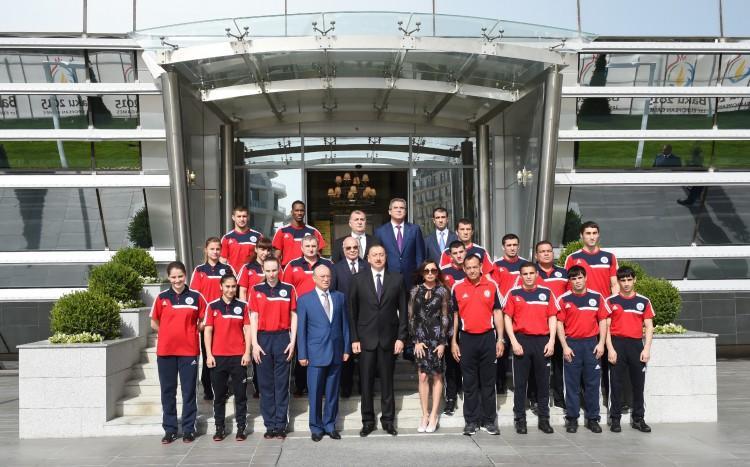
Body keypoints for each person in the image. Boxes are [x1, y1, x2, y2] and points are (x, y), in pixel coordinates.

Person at [348, 244, 408, 437]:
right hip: (366, 339)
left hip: (389, 339)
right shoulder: (357, 279)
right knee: (366, 383)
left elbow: (403, 311)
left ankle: (388, 421)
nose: (378, 258)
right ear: (368, 258)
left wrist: (401, 337)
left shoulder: (397, 279)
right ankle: (367, 421)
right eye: (374, 255)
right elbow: (352, 312)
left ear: (386, 257)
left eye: (381, 254)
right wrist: (354, 338)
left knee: (387, 383)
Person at [150, 261, 208, 444]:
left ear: (185, 275)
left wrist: (193, 330)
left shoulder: (196, 297)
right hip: (165, 352)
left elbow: (204, 320)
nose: (177, 280)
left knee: (189, 391)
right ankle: (170, 430)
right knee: (168, 391)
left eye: (180, 276)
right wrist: (167, 333)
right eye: (173, 277)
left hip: (189, 351)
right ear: (168, 277)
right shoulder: (161, 298)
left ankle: (189, 429)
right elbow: (154, 322)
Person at [564, 221, 619, 404]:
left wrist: (614, 308)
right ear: (581, 236)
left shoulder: (609, 257)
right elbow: (568, 286)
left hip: (603, 314)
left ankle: (610, 399)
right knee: (579, 362)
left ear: (599, 234)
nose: (592, 236)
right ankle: (580, 399)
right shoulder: (573, 258)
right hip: (581, 316)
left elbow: (614, 284)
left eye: (594, 233)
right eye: (588, 233)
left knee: (606, 355)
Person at [296, 265, 351, 442]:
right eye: (322, 276)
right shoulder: (304, 300)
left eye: (328, 276)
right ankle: (316, 427)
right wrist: (302, 354)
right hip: (315, 354)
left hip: (336, 352)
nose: (326, 279)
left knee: (332, 392)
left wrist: (346, 348)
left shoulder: (339, 297)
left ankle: (330, 425)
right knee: (315, 393)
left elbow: (345, 325)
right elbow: (301, 330)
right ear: (314, 278)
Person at [451, 255, 504, 436]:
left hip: (488, 338)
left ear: (481, 266)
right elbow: (455, 316)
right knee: (469, 383)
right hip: (467, 339)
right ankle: (471, 422)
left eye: (475, 267)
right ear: (464, 269)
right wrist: (454, 341)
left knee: (488, 383)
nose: (472, 270)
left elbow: (498, 312)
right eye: (468, 268)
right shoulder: (457, 287)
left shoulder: (491, 285)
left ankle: (489, 421)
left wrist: (500, 339)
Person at [503, 262, 557, 435]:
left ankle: (544, 419)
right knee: (520, 384)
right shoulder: (514, 293)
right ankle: (520, 419)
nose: (528, 276)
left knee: (543, 383)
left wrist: (551, 341)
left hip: (542, 341)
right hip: (522, 340)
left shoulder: (546, 293)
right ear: (520, 276)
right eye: (525, 274)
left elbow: (552, 317)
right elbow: (507, 318)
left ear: (537, 274)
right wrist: (513, 341)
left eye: (531, 273)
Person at [556, 265, 610, 434]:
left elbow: (603, 321)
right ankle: (572, 418)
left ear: (586, 278)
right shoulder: (564, 299)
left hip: (591, 345)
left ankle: (592, 419)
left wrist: (601, 343)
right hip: (572, 345)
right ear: (570, 281)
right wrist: (564, 346)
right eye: (574, 278)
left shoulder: (597, 297)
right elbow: (559, 324)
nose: (577, 281)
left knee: (593, 383)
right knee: (571, 384)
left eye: (580, 277)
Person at [249, 257, 298, 439]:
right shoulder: (256, 290)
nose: (271, 274)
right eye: (268, 271)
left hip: (282, 338)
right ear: (263, 270)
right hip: (263, 339)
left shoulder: (288, 289)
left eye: (274, 270)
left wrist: (292, 341)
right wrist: (254, 344)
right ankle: (270, 425)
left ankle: (280, 425)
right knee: (265, 385)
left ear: (279, 270)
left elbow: (294, 315)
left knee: (282, 384)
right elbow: (253, 317)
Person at [282, 235, 334, 397]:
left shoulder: (327, 264)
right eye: (308, 246)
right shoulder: (292, 265)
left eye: (313, 246)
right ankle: (300, 385)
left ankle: (322, 386)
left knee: (322, 348)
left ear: (318, 247)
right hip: (300, 313)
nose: (311, 249)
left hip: (323, 313)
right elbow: (286, 291)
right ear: (302, 248)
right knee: (301, 347)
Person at [606, 266, 654, 433]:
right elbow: (606, 327)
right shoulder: (611, 301)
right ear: (618, 282)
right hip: (617, 344)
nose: (626, 283)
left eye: (629, 280)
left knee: (638, 385)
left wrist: (646, 349)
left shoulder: (644, 301)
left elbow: (649, 326)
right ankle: (615, 419)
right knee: (616, 384)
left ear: (634, 280)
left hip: (636, 345)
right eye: (623, 280)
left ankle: (638, 419)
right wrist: (610, 349)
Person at [204, 274, 251, 441]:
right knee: (219, 396)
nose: (231, 290)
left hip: (238, 357)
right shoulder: (212, 306)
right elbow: (208, 331)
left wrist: (247, 352)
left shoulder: (243, 305)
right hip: (218, 358)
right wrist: (209, 354)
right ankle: (219, 428)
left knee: (240, 395)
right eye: (227, 286)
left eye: (233, 286)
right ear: (221, 286)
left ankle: (241, 428)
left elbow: (247, 330)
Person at [191, 237, 236, 401]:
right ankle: (208, 388)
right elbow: (195, 296)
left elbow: (233, 292)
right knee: (208, 355)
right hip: (207, 321)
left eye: (218, 249)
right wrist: (200, 320)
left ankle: (223, 387)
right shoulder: (199, 270)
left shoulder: (228, 269)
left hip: (225, 320)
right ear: (206, 250)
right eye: (212, 249)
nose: (215, 252)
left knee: (224, 356)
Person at [408, 260, 450, 433]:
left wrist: (442, 343)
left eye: (433, 270)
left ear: (437, 272)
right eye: (427, 271)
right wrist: (415, 340)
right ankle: (424, 414)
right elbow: (411, 316)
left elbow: (446, 317)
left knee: (437, 376)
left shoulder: (443, 291)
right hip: (421, 339)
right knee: (423, 376)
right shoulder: (415, 290)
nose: (430, 273)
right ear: (422, 273)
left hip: (437, 338)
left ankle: (434, 415)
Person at [330, 236, 368, 398]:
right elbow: (332, 293)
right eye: (348, 248)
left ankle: (364, 387)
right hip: (344, 317)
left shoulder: (367, 266)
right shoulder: (336, 268)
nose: (352, 250)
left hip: (365, 317)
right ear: (343, 250)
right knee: (346, 354)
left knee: (365, 355)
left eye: (355, 247)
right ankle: (346, 387)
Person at [238, 237, 274, 399]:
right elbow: (243, 292)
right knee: (255, 350)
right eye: (262, 249)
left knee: (266, 352)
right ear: (256, 250)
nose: (265, 252)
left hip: (269, 317)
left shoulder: (274, 267)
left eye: (268, 249)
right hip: (252, 316)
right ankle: (258, 386)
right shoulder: (247, 268)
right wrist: (245, 314)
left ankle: (267, 385)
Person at [534, 240, 568, 409]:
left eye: (549, 251)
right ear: (536, 255)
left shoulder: (564, 273)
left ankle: (560, 398)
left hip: (561, 325)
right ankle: (536, 398)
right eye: (542, 251)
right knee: (538, 365)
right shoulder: (531, 273)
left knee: (560, 364)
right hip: (538, 325)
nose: (546, 254)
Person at [491, 233, 526, 395]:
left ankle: (521, 386)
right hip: (503, 314)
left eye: (515, 245)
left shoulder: (525, 264)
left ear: (519, 246)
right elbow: (494, 289)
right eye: (509, 245)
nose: (512, 248)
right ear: (503, 247)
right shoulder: (496, 265)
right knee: (502, 351)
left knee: (521, 351)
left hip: (521, 316)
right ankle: (500, 384)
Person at [374, 197, 425, 291]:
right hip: (389, 277)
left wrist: (419, 275)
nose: (399, 210)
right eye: (395, 208)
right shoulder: (380, 232)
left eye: (402, 208)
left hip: (411, 278)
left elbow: (420, 255)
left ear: (405, 211)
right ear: (389, 211)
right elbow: (377, 256)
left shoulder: (414, 229)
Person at [440, 240, 466, 416]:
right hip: (450, 323)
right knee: (450, 362)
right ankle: (450, 398)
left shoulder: (472, 270)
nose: (459, 255)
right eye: (455, 253)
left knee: (467, 362)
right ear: (450, 256)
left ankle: (468, 394)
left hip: (470, 322)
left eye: (461, 252)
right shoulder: (443, 273)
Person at [272, 200, 326, 268]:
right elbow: (277, 256)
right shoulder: (282, 231)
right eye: (296, 210)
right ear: (292, 212)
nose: (299, 213)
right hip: (288, 270)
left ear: (304, 212)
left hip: (308, 270)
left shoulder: (313, 232)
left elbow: (319, 256)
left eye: (301, 210)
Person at [221, 205, 264, 274]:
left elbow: (264, 257)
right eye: (239, 216)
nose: (242, 219)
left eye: (244, 216)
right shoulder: (227, 238)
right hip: (233, 276)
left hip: (252, 275)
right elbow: (223, 261)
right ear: (233, 217)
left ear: (248, 217)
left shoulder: (258, 236)